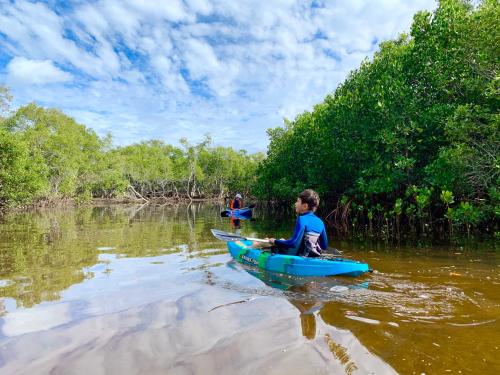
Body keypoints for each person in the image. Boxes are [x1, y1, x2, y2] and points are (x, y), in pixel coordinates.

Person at [268, 189, 328, 257]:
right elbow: (324, 246)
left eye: (298, 201)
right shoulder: (320, 222)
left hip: (300, 256)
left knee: (269, 242)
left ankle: (254, 247)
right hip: (312, 256)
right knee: (282, 240)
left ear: (305, 206)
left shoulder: (302, 219)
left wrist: (275, 241)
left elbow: (293, 243)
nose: (295, 203)